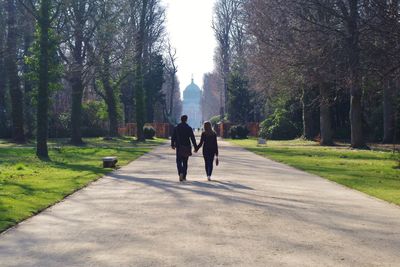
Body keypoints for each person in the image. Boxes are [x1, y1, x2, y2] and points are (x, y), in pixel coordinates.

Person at [171, 115, 197, 182]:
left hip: (179, 147)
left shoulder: (176, 127)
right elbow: (192, 138)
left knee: (178, 161)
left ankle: (180, 173)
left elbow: (173, 137)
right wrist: (195, 147)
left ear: (181, 119)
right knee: (185, 162)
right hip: (186, 147)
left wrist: (172, 144)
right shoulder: (189, 128)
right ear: (186, 120)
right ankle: (184, 176)